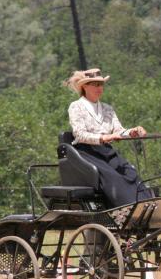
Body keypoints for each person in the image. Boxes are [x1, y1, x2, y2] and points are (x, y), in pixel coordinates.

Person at [64, 68, 154, 207]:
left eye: (101, 85)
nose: (99, 88)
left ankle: (147, 206)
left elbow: (119, 131)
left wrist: (132, 132)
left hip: (106, 152)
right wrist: (103, 138)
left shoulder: (107, 108)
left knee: (130, 172)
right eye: (95, 84)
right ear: (85, 86)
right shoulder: (76, 107)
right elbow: (79, 134)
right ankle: (128, 211)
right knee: (114, 178)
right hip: (86, 153)